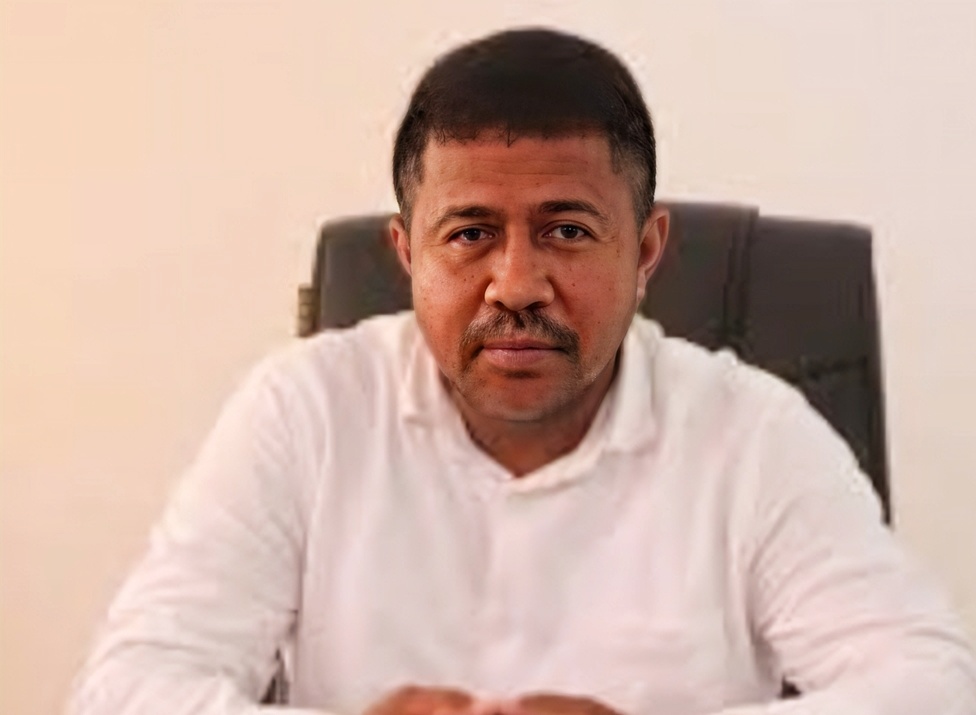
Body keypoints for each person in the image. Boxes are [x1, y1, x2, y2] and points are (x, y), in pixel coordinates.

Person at [68, 27, 976, 715]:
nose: (516, 284)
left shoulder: (753, 433)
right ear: (407, 254)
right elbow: (125, 687)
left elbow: (931, 686)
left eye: (566, 231)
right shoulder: (305, 409)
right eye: (470, 234)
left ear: (646, 250)